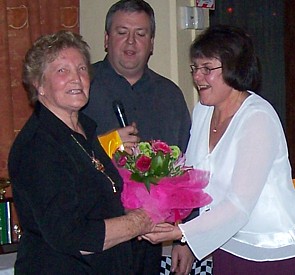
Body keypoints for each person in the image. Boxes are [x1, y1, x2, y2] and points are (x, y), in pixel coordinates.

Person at [141, 25, 295, 274]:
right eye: (195, 68)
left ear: (234, 67)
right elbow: (192, 180)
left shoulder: (257, 117)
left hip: (270, 251)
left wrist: (182, 233)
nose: (197, 77)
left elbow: (239, 205)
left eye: (207, 69)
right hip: (226, 245)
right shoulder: (204, 111)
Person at [8, 30, 161, 274]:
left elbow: (99, 206)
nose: (76, 79)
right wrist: (141, 221)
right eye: (62, 71)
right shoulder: (39, 145)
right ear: (39, 85)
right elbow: (72, 236)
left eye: (81, 69)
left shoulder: (85, 133)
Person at [82, 1, 193, 274]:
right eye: (122, 32)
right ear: (107, 39)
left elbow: (188, 171)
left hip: (149, 244)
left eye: (141, 34)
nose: (131, 41)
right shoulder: (81, 88)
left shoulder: (170, 95)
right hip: (93, 241)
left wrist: (186, 237)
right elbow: (59, 158)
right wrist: (106, 145)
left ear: (152, 43)